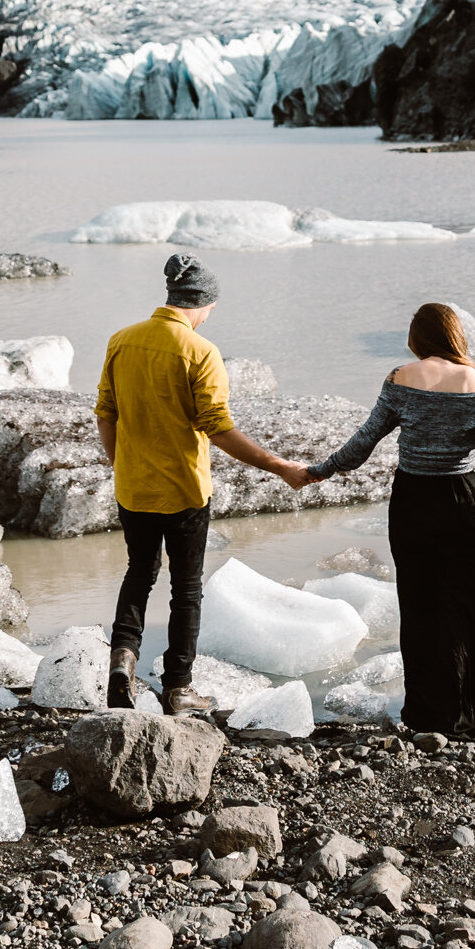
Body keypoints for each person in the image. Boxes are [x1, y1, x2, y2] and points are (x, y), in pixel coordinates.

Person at [301, 300, 475, 738]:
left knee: (422, 608)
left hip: (412, 502)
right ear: (457, 336)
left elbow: (363, 442)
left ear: (418, 339)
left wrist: (320, 470)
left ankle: (432, 717)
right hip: (465, 503)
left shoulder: (400, 378)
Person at [96, 251, 311, 714]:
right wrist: (280, 466)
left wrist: (122, 464)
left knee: (139, 574)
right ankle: (178, 688)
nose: (211, 315)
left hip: (133, 489)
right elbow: (218, 427)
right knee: (186, 588)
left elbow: (106, 412)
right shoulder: (200, 351)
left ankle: (122, 662)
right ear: (202, 302)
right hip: (184, 492)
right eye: (211, 308)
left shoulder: (122, 340)